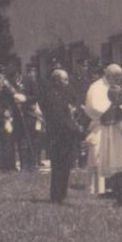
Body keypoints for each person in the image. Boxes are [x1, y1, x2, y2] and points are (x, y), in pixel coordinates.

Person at [83, 63, 122, 205]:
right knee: (104, 158)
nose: (119, 80)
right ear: (107, 75)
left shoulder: (119, 87)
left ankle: (121, 188)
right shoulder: (96, 87)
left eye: (120, 77)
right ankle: (104, 190)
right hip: (103, 128)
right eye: (116, 77)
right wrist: (115, 109)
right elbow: (96, 108)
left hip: (119, 128)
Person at [40, 67, 81, 204]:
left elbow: (76, 101)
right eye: (64, 79)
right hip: (57, 134)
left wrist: (74, 108)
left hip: (68, 134)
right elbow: (57, 115)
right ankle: (56, 195)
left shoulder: (68, 90)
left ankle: (62, 194)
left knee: (66, 165)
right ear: (56, 80)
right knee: (58, 166)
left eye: (67, 79)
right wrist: (73, 126)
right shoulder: (50, 94)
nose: (67, 82)